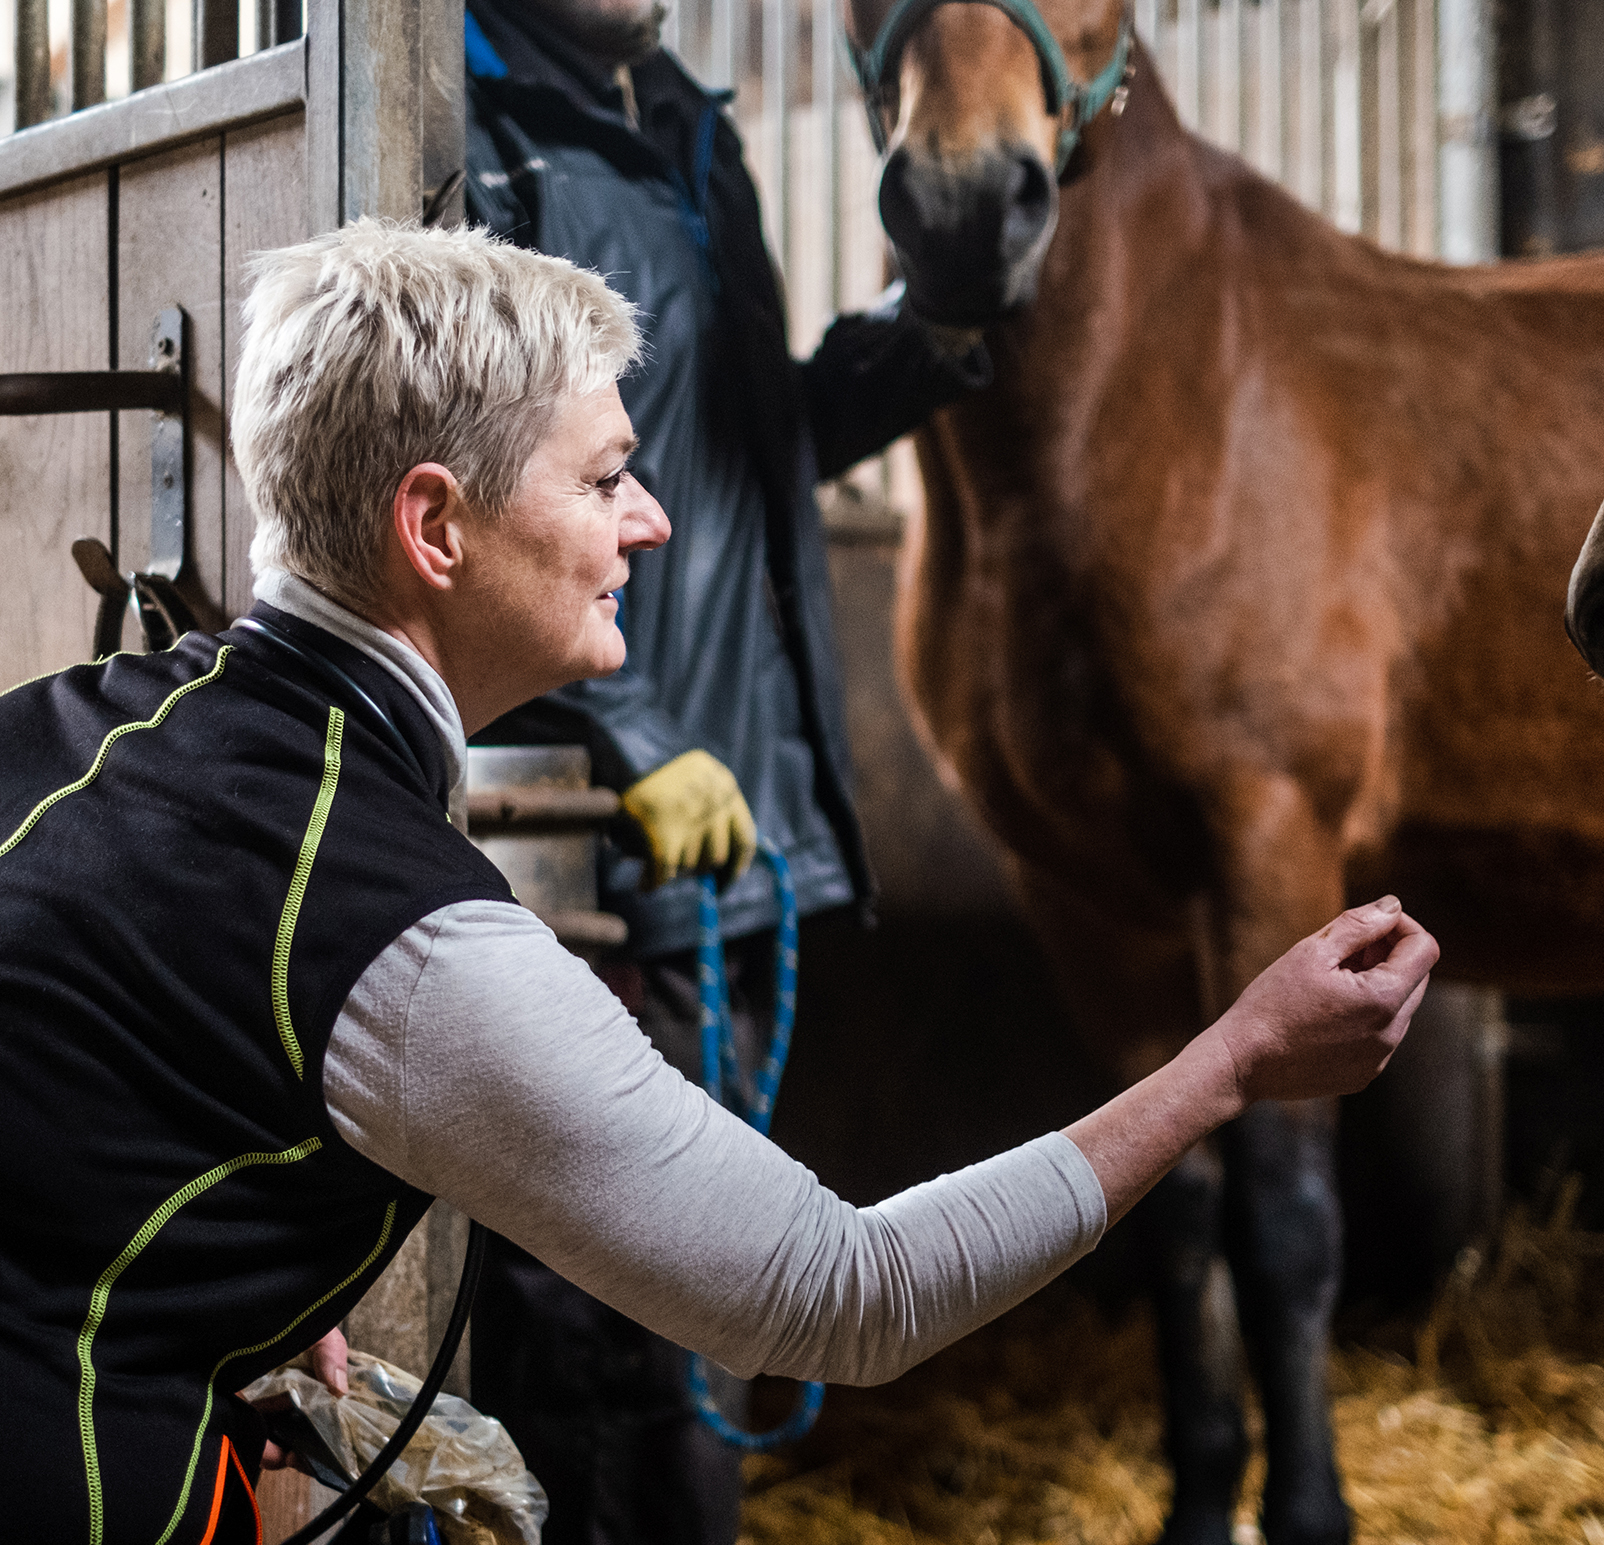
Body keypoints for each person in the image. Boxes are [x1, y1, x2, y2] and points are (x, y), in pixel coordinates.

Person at [0, 221, 1438, 1545]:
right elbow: (842, 1296)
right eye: (606, 476)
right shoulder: (405, 938)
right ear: (435, 528)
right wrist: (1237, 1060)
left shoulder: (67, 724)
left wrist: (234, 1277)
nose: (654, 524)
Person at [451, 4, 990, 1531]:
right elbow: (461, 492)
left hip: (740, 827)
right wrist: (623, 742)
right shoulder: (473, 128)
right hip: (591, 841)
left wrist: (931, 336)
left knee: (701, 1322)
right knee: (606, 1340)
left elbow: (746, 439)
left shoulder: (691, 126)